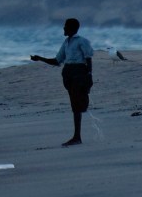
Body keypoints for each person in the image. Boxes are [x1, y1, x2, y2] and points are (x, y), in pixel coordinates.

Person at [29, 18, 95, 146]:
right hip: (69, 74)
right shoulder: (66, 42)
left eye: (65, 26)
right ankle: (76, 136)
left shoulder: (82, 41)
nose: (63, 29)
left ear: (72, 28)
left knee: (76, 105)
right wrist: (40, 58)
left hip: (78, 73)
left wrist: (89, 75)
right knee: (74, 104)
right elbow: (57, 60)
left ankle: (77, 137)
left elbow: (88, 58)